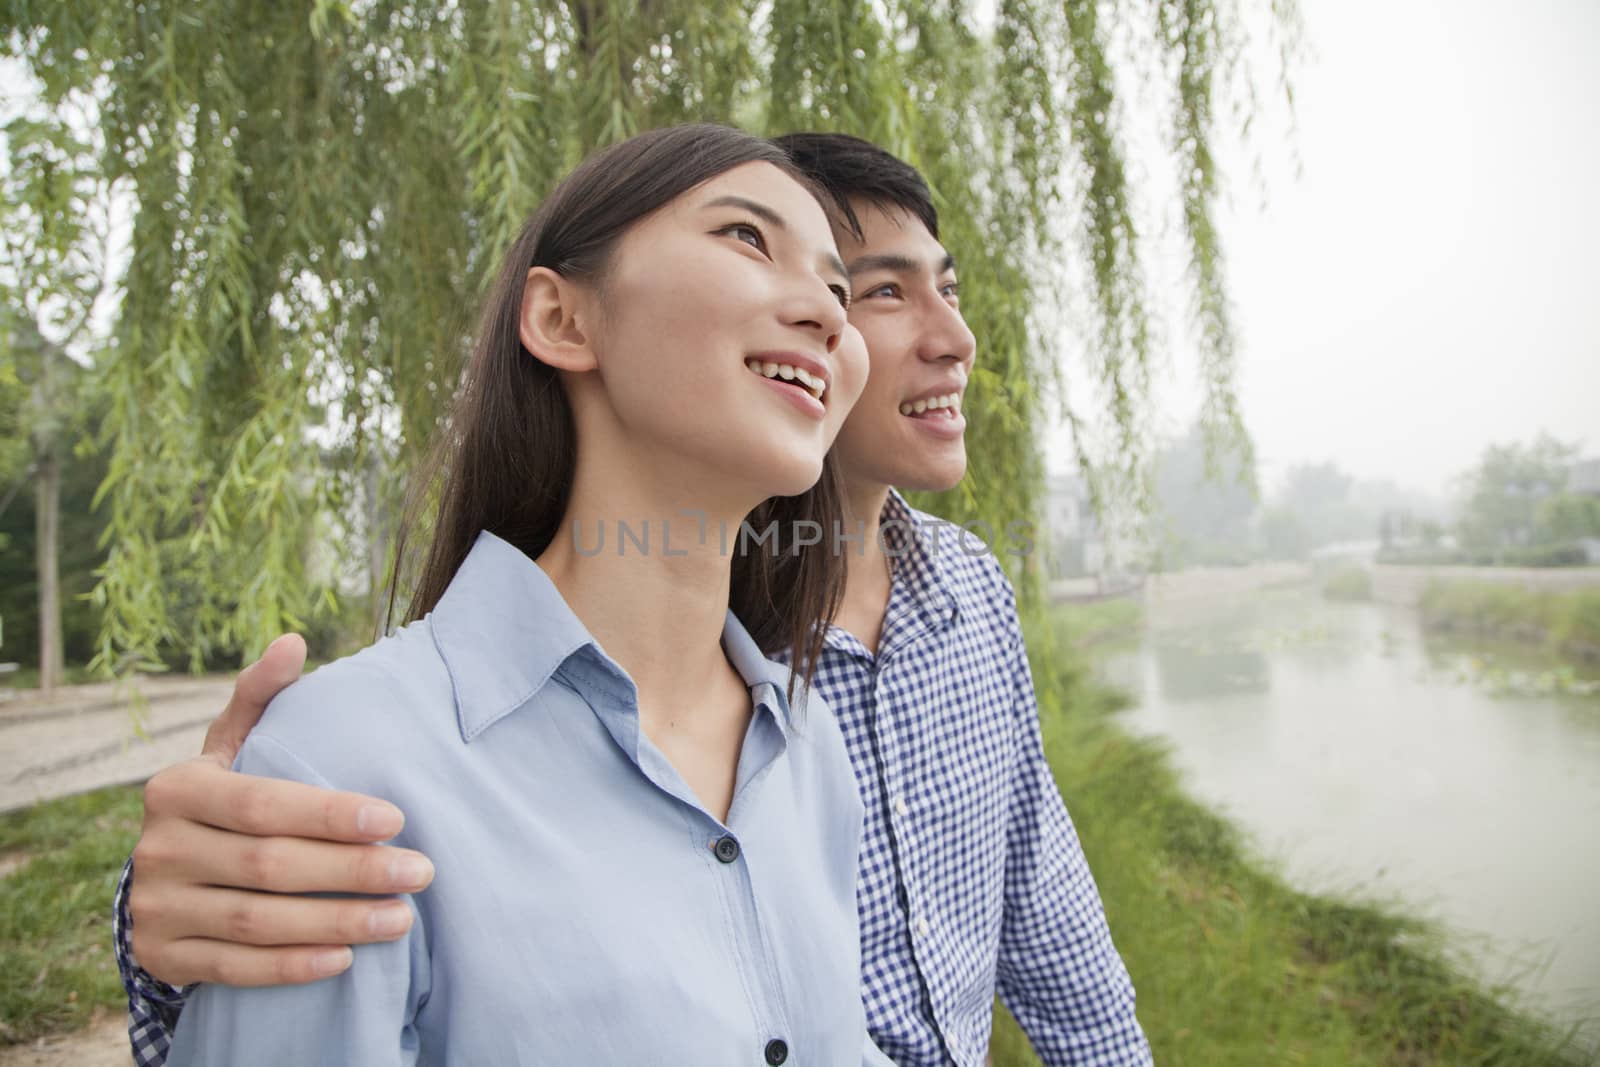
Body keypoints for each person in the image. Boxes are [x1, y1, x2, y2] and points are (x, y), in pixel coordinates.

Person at [116, 133, 1153, 1066]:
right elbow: (258, 936)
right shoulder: (358, 762)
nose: (828, 315)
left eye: (839, 289)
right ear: (563, 316)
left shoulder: (805, 748)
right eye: (750, 239)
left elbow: (1043, 905)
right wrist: (168, 932)